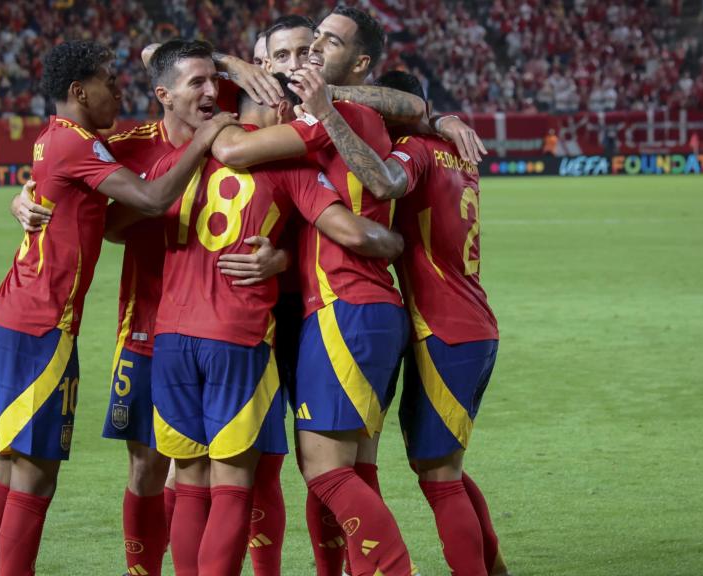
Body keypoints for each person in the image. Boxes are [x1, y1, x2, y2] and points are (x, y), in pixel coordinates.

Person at [11, 39, 290, 576]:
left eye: (217, 81)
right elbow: (64, 175)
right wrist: (24, 196)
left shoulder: (245, 139)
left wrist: (279, 258)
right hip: (146, 328)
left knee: (242, 471)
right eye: (199, 82)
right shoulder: (133, 144)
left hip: (232, 328)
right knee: (148, 467)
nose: (211, 91)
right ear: (165, 95)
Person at [0, 40, 235, 576]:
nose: (119, 91)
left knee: (7, 466)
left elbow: (87, 208)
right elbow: (154, 200)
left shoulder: (57, 138)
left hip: (11, 317)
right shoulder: (80, 145)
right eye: (109, 84)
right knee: (34, 476)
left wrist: (24, 195)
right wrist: (208, 136)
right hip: (41, 326)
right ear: (78, 91)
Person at [144, 71, 405, 576]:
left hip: (170, 340)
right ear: (278, 110)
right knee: (233, 487)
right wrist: (394, 245)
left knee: (189, 481)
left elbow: (120, 220)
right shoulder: (288, 169)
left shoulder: (176, 160)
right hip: (236, 339)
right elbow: (349, 231)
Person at [208, 7, 426, 575]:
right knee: (346, 466)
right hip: (344, 309)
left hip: (336, 310)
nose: (300, 61)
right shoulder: (305, 117)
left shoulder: (325, 119)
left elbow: (235, 155)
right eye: (281, 56)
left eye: (316, 48)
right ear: (259, 65)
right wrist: (228, 64)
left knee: (323, 468)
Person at [294, 67, 510, 576]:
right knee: (444, 469)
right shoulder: (455, 154)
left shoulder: (414, 149)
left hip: (443, 327)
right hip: (467, 323)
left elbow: (387, 182)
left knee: (441, 478)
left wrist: (330, 111)